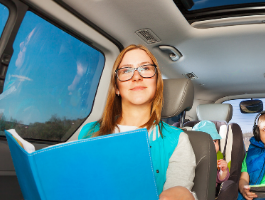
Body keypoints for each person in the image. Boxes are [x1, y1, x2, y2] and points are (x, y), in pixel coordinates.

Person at [77, 44, 197, 200]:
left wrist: (185, 195)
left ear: (156, 83)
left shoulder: (177, 140)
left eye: (145, 68)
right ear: (117, 87)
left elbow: (177, 190)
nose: (136, 76)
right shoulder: (89, 132)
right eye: (126, 70)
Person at [192, 120, 230, 188]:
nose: (211, 145)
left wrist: (223, 171)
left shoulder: (218, 157)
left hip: (208, 192)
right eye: (206, 141)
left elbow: (220, 179)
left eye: (214, 141)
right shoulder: (191, 156)